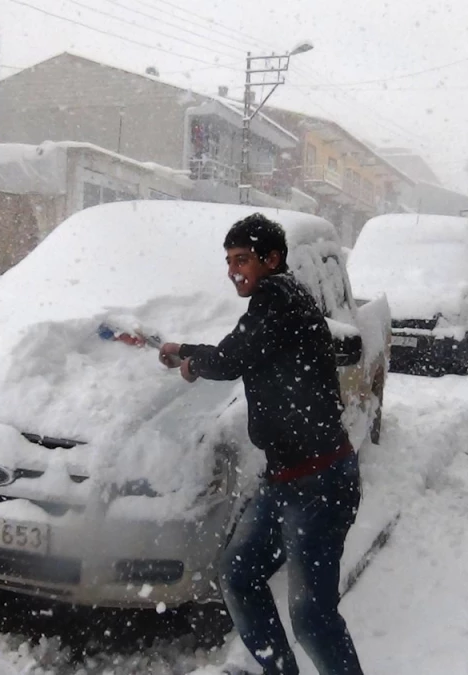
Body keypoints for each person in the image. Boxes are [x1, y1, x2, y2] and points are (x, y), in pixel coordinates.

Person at [158, 213, 363, 675]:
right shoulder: (279, 302)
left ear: (272, 260)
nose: (234, 270)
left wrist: (191, 358)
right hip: (288, 479)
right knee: (239, 575)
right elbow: (242, 350)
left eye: (243, 259)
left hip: (319, 482)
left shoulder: (276, 298)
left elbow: (232, 357)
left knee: (312, 617)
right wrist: (190, 353)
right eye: (229, 260)